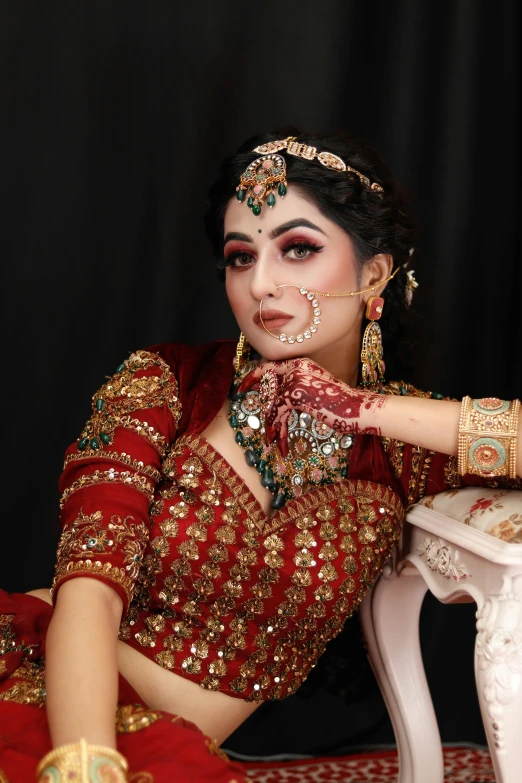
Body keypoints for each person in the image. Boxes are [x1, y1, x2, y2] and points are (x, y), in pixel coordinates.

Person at [1, 132, 521, 782]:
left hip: (169, 756)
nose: (261, 284)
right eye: (240, 257)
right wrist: (84, 763)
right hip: (54, 706)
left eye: (297, 248)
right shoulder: (167, 386)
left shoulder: (399, 446)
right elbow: (90, 593)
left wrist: (362, 409)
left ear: (374, 273)